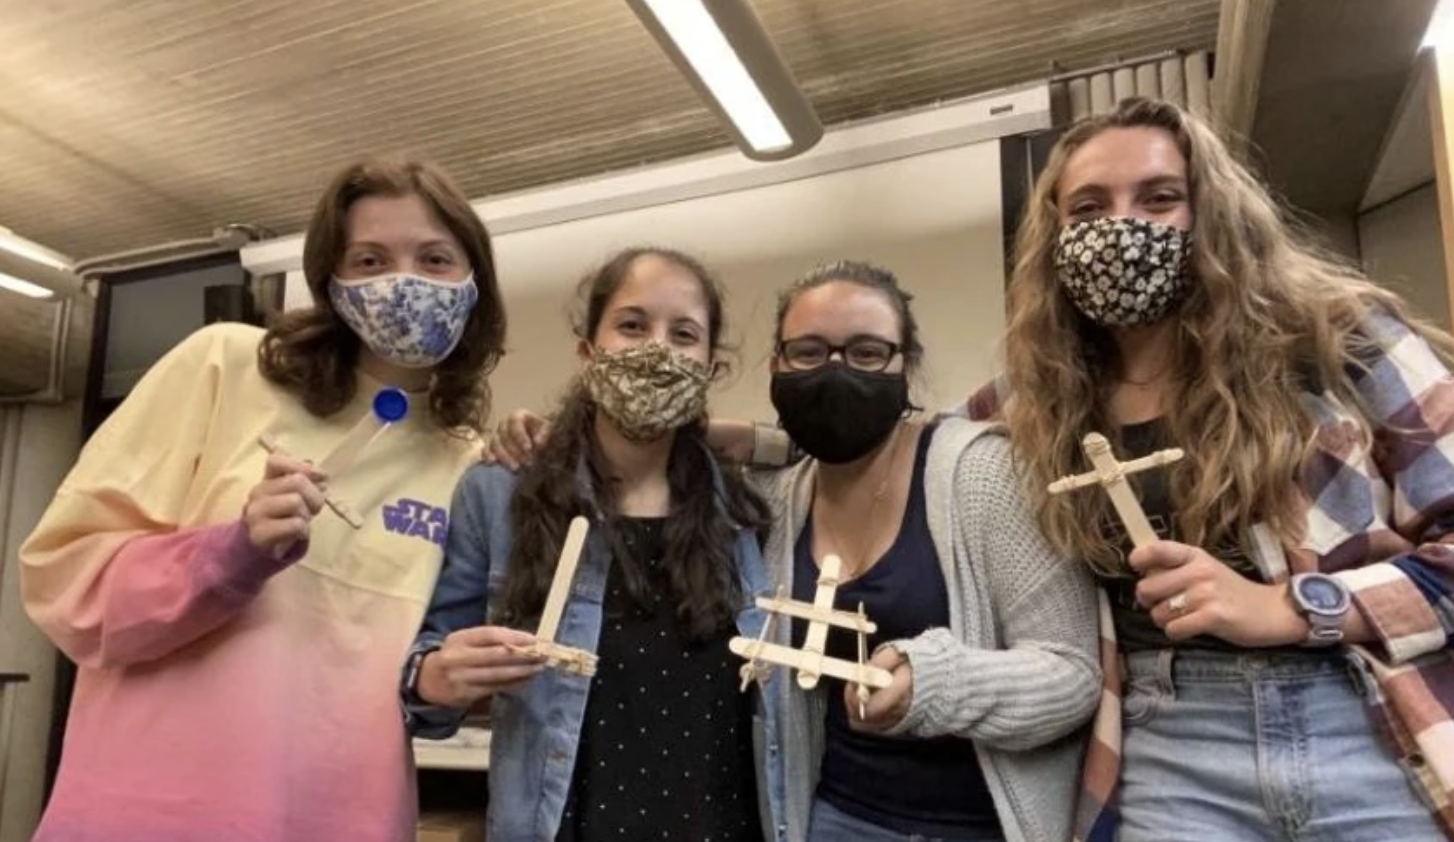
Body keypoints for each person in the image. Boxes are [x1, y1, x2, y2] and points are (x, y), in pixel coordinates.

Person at [966, 96, 1454, 841]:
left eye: (1160, 198)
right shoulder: (1026, 406)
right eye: (1089, 207)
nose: (1121, 227)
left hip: (1362, 711)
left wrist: (1292, 608)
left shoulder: (1340, 341)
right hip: (1169, 739)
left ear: (1213, 212)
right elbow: (906, 452)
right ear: (1055, 237)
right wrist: (753, 441)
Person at [487, 259, 1102, 842]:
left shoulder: (986, 474)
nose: (835, 371)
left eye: (865, 352)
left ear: (905, 366)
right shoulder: (774, 505)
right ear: (776, 366)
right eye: (808, 353)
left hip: (980, 825)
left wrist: (934, 682)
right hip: (830, 820)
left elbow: (1073, 677)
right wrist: (543, 434)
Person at [20, 157, 506, 842]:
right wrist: (231, 554)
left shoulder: (467, 462)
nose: (405, 283)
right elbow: (65, 585)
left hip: (346, 818)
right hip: (152, 813)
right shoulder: (223, 365)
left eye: (434, 259)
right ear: (330, 281)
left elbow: (417, 676)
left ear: (475, 282)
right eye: (370, 261)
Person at [402, 247, 786, 842]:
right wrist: (435, 677)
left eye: (684, 334)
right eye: (632, 326)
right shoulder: (498, 495)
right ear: (588, 351)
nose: (656, 349)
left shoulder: (745, 510)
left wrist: (729, 432)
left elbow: (831, 442)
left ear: (710, 369)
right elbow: (429, 699)